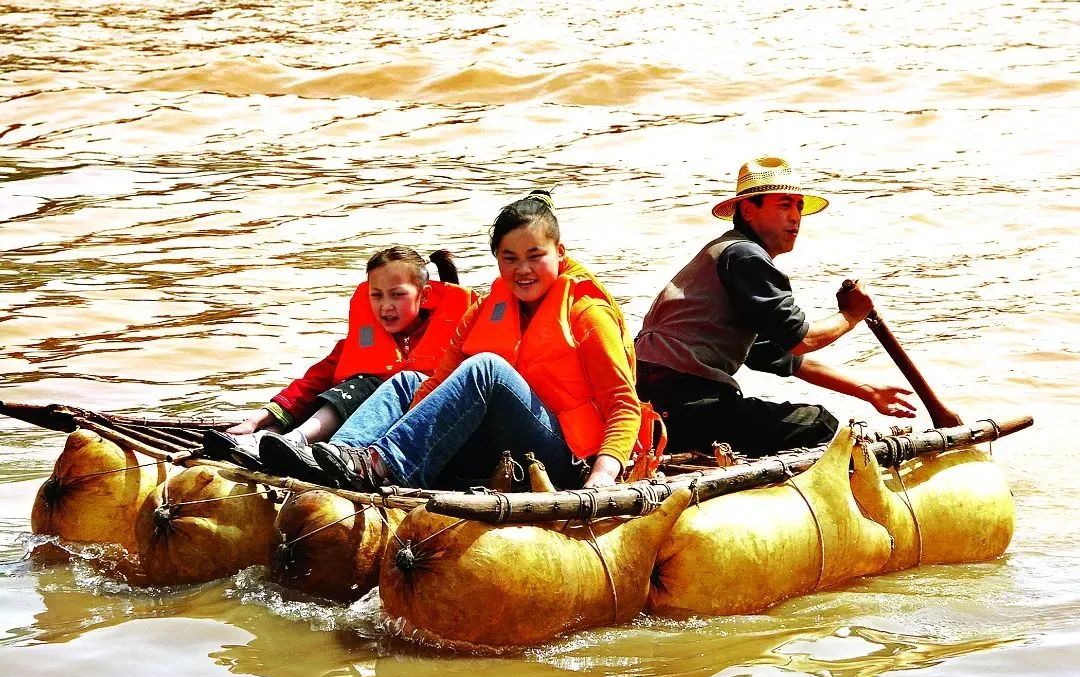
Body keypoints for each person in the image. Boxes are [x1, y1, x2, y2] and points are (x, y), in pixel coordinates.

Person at [309, 190, 641, 492]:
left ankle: (382, 465)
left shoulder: (588, 314)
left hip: (564, 460)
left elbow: (623, 406)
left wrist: (603, 474)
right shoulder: (484, 312)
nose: (523, 269)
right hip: (499, 449)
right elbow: (437, 384)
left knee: (486, 368)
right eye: (510, 258)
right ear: (497, 259)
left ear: (559, 252)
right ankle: (338, 455)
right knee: (409, 382)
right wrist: (401, 430)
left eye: (535, 255)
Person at [634, 155, 917, 457]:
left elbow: (781, 357)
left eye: (798, 206)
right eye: (784, 205)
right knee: (819, 424)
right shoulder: (745, 255)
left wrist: (868, 391)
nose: (795, 216)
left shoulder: (724, 257)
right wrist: (851, 315)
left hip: (654, 408)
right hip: (687, 404)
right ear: (747, 210)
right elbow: (801, 339)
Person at [202, 247, 476, 481]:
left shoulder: (458, 335)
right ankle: (262, 440)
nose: (386, 306)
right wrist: (257, 418)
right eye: (377, 295)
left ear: (424, 296)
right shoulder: (362, 342)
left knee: (366, 385)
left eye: (397, 295)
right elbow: (313, 380)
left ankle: (300, 442)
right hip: (347, 425)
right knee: (327, 389)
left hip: (407, 435)